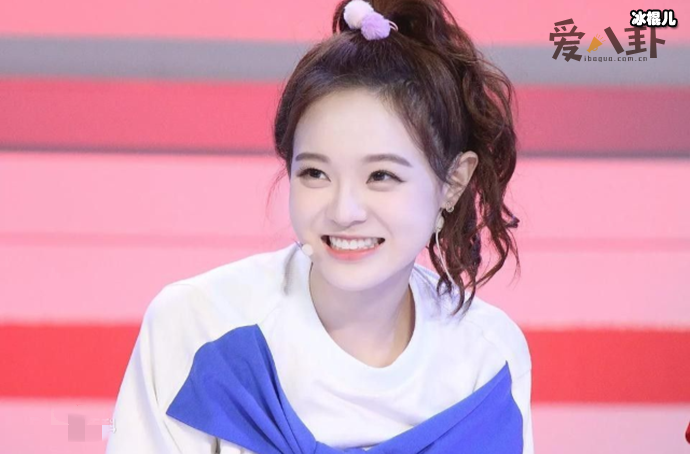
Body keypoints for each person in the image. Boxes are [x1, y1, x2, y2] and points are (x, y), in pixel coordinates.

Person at [106, 0, 532, 452]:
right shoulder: (198, 324)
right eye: (315, 173)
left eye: (381, 176)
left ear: (453, 182)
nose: (344, 211)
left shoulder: (487, 359)